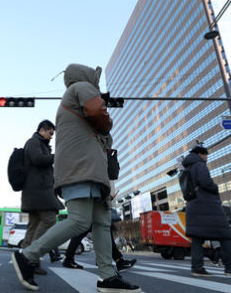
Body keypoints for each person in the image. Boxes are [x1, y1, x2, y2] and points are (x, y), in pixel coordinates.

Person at [11, 63, 140, 292]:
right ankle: (27, 256)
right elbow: (98, 111)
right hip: (81, 168)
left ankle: (108, 276)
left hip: (90, 169)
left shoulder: (74, 97)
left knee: (101, 223)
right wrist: (107, 125)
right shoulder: (80, 87)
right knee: (80, 220)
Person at [183, 146, 231, 277]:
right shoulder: (199, 164)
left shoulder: (187, 168)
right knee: (225, 234)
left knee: (197, 237)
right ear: (200, 154)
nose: (206, 158)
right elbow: (205, 182)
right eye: (205, 155)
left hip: (193, 205)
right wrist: (215, 187)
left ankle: (197, 267)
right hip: (207, 205)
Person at [20, 120, 64, 275]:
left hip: (36, 191)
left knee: (33, 225)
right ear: (42, 130)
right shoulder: (33, 142)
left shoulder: (40, 143)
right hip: (38, 191)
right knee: (49, 219)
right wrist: (56, 156)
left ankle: (27, 260)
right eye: (50, 133)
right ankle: (31, 256)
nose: (51, 136)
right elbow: (38, 160)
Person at [62, 209, 136, 271]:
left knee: (99, 231)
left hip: (91, 207)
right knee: (104, 229)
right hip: (92, 205)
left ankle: (117, 261)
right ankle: (117, 262)